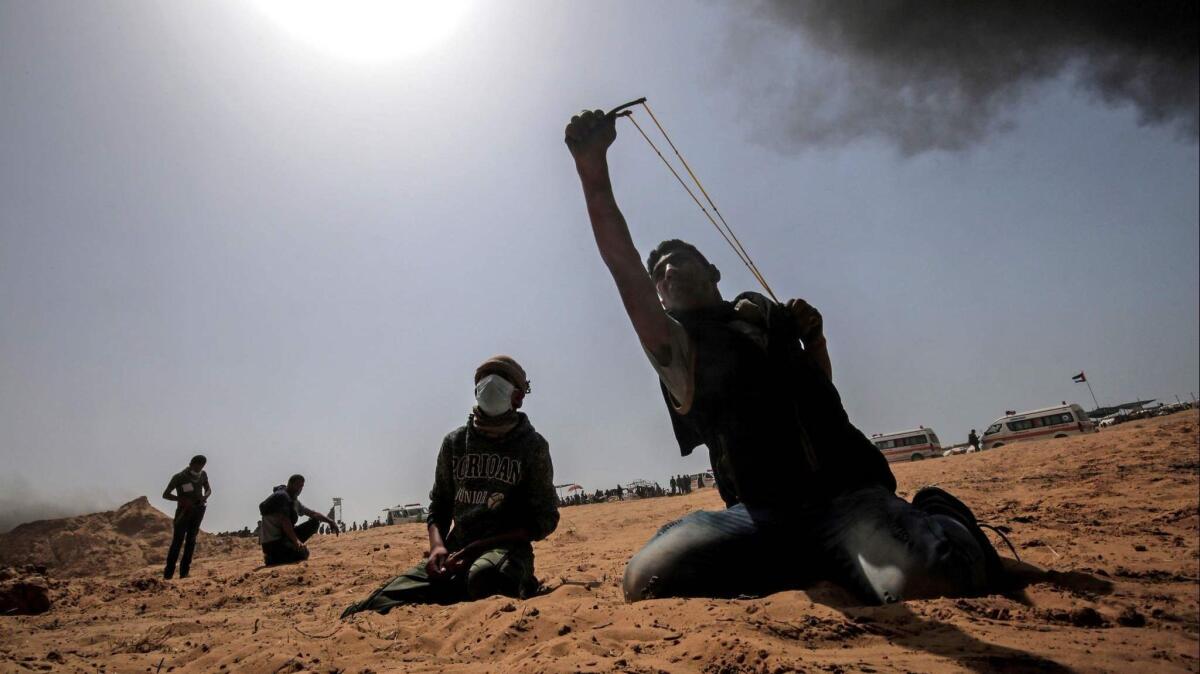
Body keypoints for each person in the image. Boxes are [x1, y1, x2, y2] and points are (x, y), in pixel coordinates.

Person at [564, 107, 1008, 604]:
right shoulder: (678, 350)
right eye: (659, 271)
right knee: (650, 580)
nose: (666, 271)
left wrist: (813, 342)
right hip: (763, 516)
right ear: (659, 297)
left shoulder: (769, 324)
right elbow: (624, 269)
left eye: (678, 259)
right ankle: (818, 562)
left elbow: (820, 397)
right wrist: (592, 168)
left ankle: (936, 509)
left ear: (713, 270)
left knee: (937, 580)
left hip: (848, 500)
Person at [342, 356, 560, 616]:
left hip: (505, 551)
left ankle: (518, 581)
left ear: (519, 397)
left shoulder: (532, 446)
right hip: (455, 553)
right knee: (377, 603)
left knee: (486, 576)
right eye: (483, 380)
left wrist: (477, 549)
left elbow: (544, 519)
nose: (490, 385)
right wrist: (438, 547)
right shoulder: (455, 443)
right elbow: (440, 505)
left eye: (501, 380)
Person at [258, 474, 339, 566]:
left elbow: (312, 513)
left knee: (314, 522)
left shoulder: (293, 501)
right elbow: (285, 521)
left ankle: (290, 548)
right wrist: (296, 541)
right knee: (303, 554)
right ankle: (273, 558)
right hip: (273, 544)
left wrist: (330, 521)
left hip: (285, 538)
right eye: (298, 485)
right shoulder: (282, 498)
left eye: (301, 486)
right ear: (290, 484)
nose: (299, 489)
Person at [162, 455, 212, 579]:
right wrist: (181, 499)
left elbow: (208, 489)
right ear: (191, 464)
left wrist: (204, 497)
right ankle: (168, 574)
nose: (199, 469)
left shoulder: (203, 475)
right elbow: (166, 494)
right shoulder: (179, 477)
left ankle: (184, 573)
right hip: (183, 513)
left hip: (198, 511)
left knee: (191, 541)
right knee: (177, 542)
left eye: (201, 466)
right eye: (197, 466)